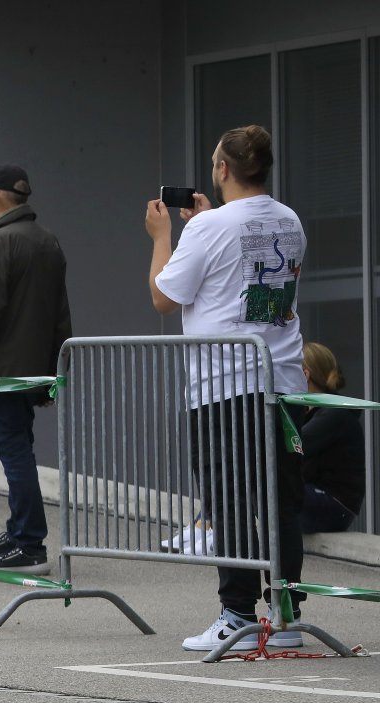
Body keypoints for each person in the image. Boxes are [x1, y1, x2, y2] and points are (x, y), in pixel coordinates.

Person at [147, 124, 307, 652]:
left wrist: (162, 237)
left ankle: (237, 614)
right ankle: (285, 615)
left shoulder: (209, 227)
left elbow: (165, 297)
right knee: (281, 501)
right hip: (283, 378)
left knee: (229, 500)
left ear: (222, 168)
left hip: (224, 385)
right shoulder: (289, 220)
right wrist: (203, 224)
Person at [0, 164, 73, 575]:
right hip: (33, 368)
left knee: (14, 453)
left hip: (0, 370)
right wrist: (54, 371)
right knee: (20, 449)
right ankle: (19, 529)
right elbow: (60, 314)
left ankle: (28, 543)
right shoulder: (47, 241)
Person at [296, 341, 364, 533]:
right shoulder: (311, 412)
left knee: (267, 487)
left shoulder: (333, 414)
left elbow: (293, 446)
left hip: (334, 504)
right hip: (319, 498)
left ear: (305, 375)